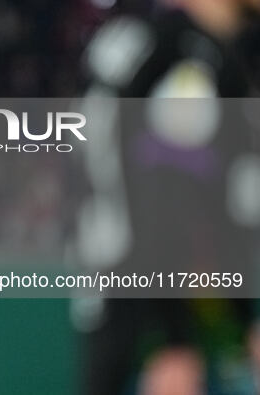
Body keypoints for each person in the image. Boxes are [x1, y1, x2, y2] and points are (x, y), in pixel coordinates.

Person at [77, 0, 260, 393]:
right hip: (139, 271)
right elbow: (152, 186)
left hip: (159, 269)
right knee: (172, 372)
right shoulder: (174, 48)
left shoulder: (208, 53)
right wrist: (174, 325)